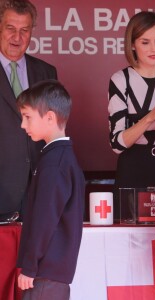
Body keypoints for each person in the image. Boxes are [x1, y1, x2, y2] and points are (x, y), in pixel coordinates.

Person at [108, 11, 155, 220]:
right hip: (133, 172)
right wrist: (150, 117)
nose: (154, 49)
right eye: (145, 42)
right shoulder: (120, 79)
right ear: (132, 45)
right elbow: (117, 143)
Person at [16, 80, 85, 300]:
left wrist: (30, 265)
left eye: (27, 117)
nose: (23, 125)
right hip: (51, 272)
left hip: (45, 273)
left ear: (50, 117)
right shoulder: (58, 158)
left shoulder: (55, 163)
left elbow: (44, 220)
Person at [0, 0, 57, 218]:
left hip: (38, 195)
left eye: (24, 30)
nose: (17, 37)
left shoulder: (47, 73)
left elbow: (54, 133)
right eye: (10, 29)